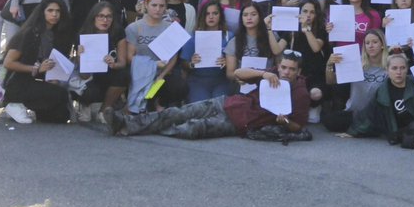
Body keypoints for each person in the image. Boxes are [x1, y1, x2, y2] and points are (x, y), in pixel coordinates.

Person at [103, 49, 311, 140]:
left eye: (292, 69)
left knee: (190, 129)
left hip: (240, 123)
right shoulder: (272, 74)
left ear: (298, 72)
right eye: (284, 67)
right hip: (229, 103)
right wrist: (264, 73)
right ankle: (125, 124)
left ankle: (142, 128)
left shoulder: (300, 93)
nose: (286, 72)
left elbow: (297, 126)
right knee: (178, 112)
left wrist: (283, 122)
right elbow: (237, 74)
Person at [0, 0, 76, 124]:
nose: (55, 14)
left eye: (58, 11)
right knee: (60, 94)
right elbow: (8, 63)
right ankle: (13, 103)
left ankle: (32, 106)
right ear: (42, 12)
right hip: (18, 83)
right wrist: (37, 68)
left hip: (38, 81)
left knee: (61, 117)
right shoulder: (30, 32)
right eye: (50, 10)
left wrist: (53, 77)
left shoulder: (57, 34)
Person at [183, 1, 232, 104]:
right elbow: (183, 63)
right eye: (207, 13)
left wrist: (228, 63)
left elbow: (236, 64)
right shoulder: (193, 37)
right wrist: (192, 63)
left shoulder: (229, 37)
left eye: (215, 13)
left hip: (221, 80)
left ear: (220, 16)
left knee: (219, 106)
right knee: (200, 107)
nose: (211, 17)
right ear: (202, 16)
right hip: (197, 80)